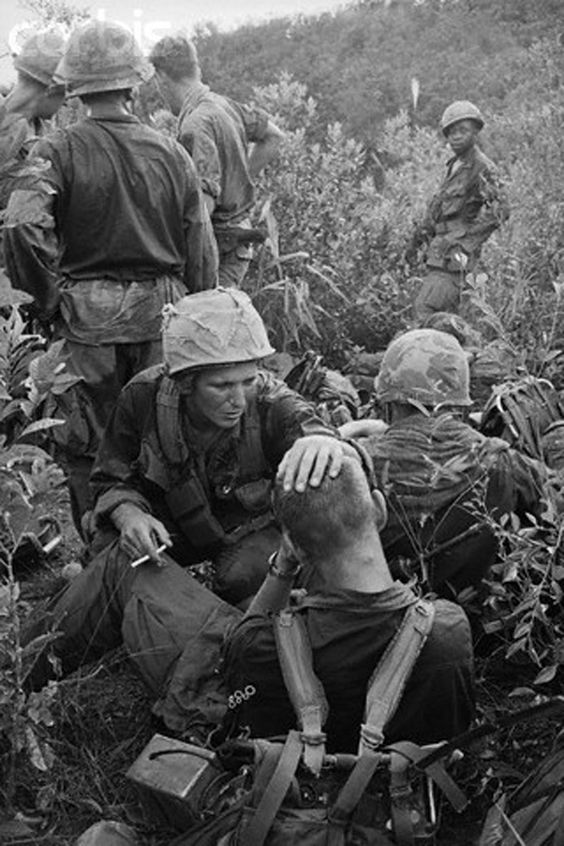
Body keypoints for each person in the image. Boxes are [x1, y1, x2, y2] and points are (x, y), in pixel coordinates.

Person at [28, 288, 351, 733]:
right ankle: (27, 669)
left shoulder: (273, 404)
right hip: (169, 529)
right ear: (183, 382)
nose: (238, 399)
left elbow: (320, 437)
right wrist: (130, 516)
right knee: (111, 552)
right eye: (221, 385)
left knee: (244, 576)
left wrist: (325, 441)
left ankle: (218, 638)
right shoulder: (143, 398)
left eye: (247, 380)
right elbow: (110, 477)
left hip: (247, 535)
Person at [3, 20, 218, 529]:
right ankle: (165, 550)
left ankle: (104, 550)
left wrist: (48, 299)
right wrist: (197, 312)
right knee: (162, 440)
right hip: (163, 317)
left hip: (87, 326)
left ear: (73, 86)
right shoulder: (173, 153)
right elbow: (201, 248)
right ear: (133, 83)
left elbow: (19, 224)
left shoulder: (54, 151)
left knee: (89, 450)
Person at [225, 455, 475, 752]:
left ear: (296, 549)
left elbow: (241, 646)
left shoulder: (259, 650)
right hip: (419, 793)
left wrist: (284, 565)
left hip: (302, 793)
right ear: (380, 510)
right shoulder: (450, 629)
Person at [352, 328, 549, 596]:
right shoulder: (505, 462)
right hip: (477, 627)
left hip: (379, 628)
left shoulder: (356, 463)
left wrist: (340, 435)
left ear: (388, 397)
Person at [149, 35, 284, 287]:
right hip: (236, 242)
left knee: (206, 319)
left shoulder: (196, 124)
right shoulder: (224, 105)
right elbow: (273, 136)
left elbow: (204, 207)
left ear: (162, 78)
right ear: (195, 68)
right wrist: (241, 179)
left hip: (220, 250)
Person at [407, 100, 509, 320]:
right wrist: (415, 244)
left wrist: (466, 243)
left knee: (426, 311)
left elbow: (501, 210)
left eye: (463, 130)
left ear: (475, 132)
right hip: (438, 253)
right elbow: (436, 214)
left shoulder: (482, 167)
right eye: (451, 131)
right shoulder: (454, 166)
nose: (456, 136)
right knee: (444, 317)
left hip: (454, 257)